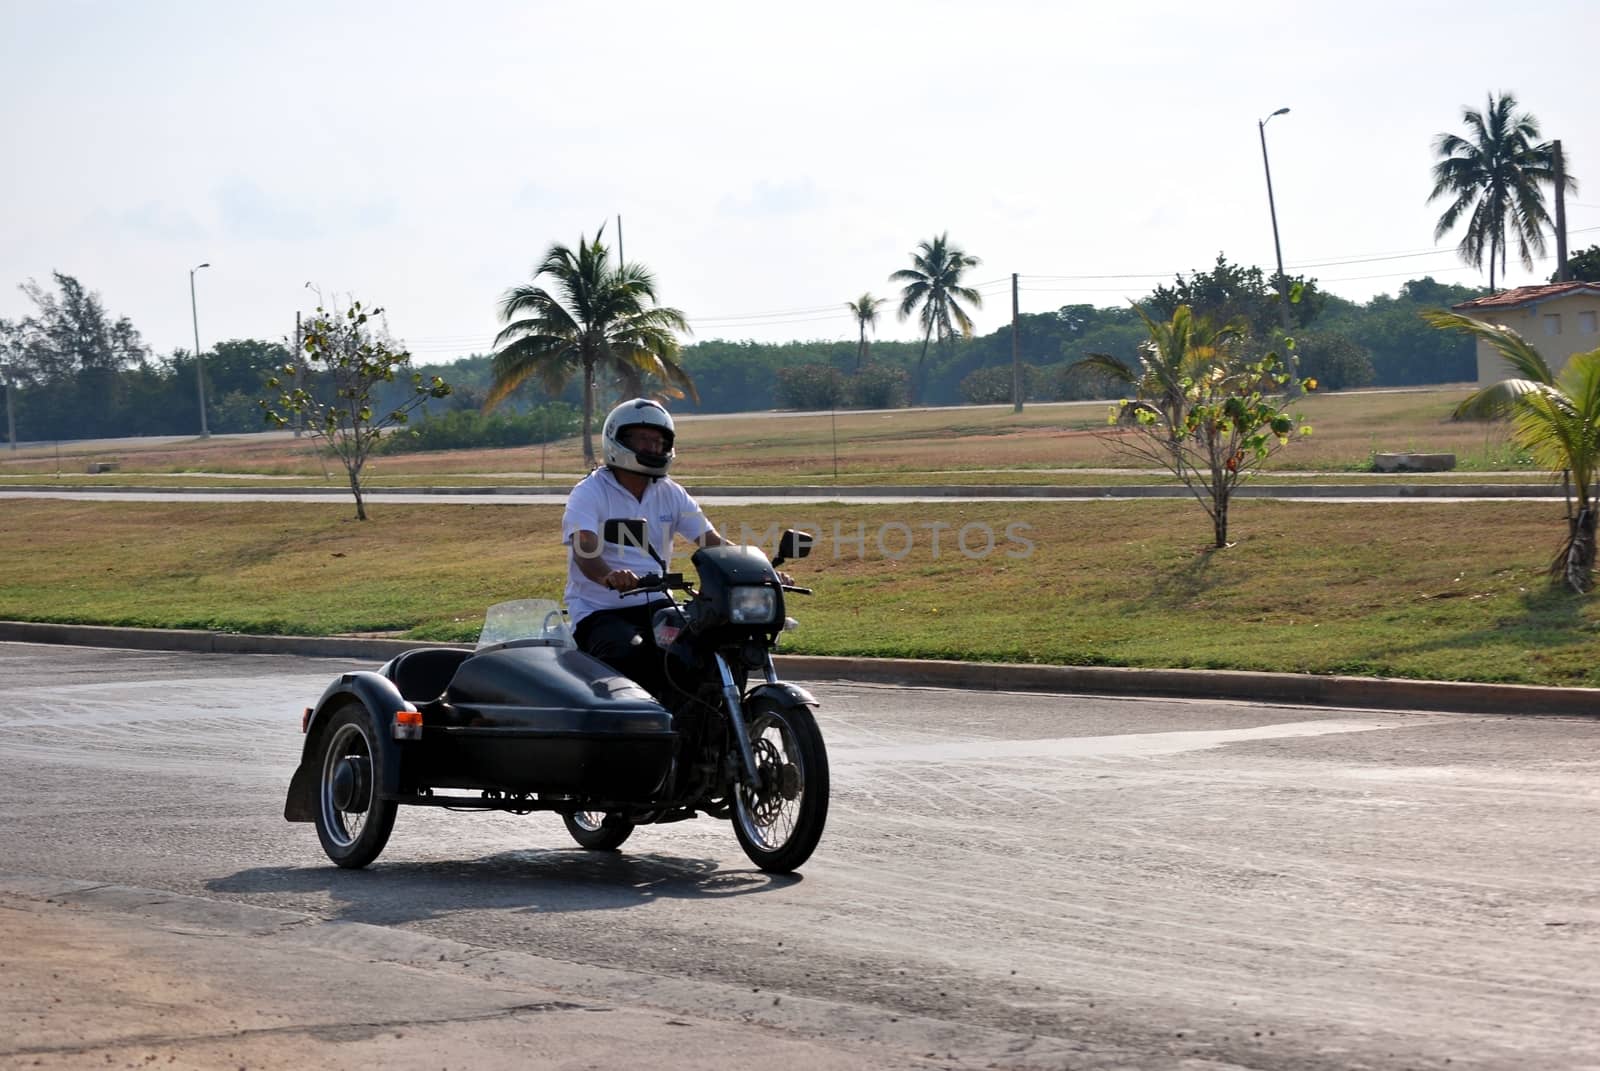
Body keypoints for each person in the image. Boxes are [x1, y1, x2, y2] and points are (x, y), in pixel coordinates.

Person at [562, 398, 725, 702]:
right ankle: (626, 737)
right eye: (644, 439)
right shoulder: (589, 492)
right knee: (629, 651)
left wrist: (759, 570)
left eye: (659, 440)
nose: (653, 447)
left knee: (704, 651)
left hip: (659, 605)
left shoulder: (671, 492)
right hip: (601, 611)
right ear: (618, 439)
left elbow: (711, 540)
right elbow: (584, 548)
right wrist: (609, 575)